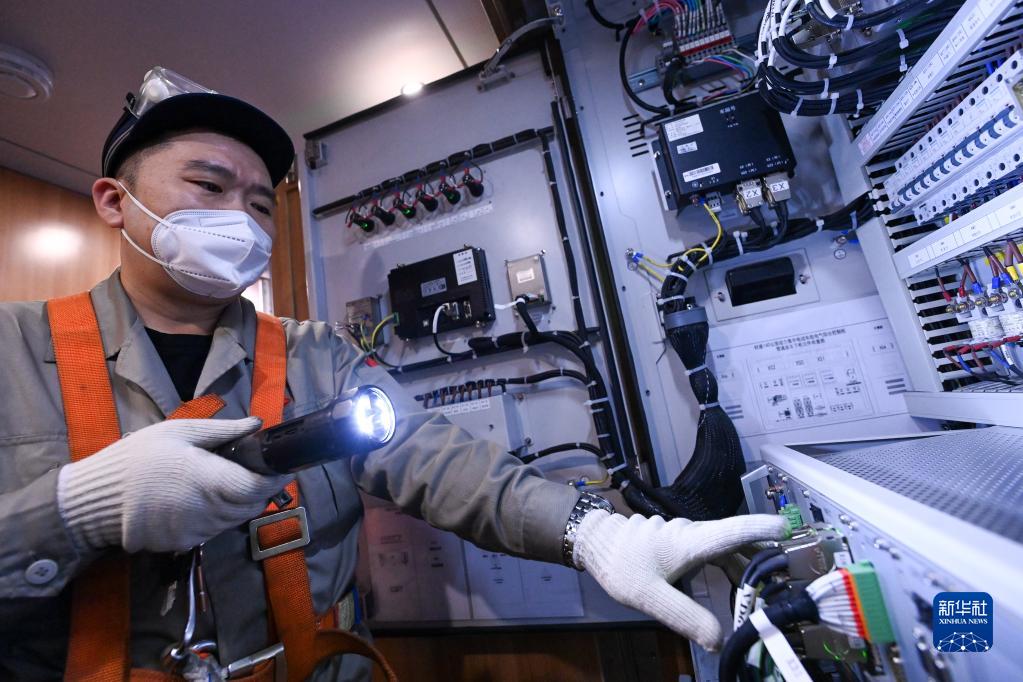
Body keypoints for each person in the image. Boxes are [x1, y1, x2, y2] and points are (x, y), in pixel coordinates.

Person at [0, 67, 787, 680]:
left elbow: (439, 460)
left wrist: (593, 530)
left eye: (260, 204)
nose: (240, 218)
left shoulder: (317, 355)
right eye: (208, 186)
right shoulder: (12, 348)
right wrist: (74, 509)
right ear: (114, 202)